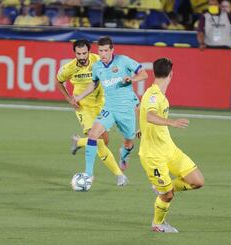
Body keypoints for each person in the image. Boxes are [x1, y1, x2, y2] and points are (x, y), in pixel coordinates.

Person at [139, 58, 204, 233]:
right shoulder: (153, 95)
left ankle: (161, 187)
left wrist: (141, 130)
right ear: (171, 74)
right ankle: (157, 224)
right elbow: (150, 116)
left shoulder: (157, 94)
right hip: (153, 155)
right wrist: (172, 122)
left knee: (197, 181)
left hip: (169, 149)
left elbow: (139, 110)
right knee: (167, 195)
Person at [74, 36, 148, 183]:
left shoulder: (123, 60)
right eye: (100, 50)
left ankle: (124, 155)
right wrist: (79, 97)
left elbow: (144, 74)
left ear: (112, 50)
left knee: (129, 142)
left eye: (106, 50)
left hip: (126, 110)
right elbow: (93, 84)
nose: (103, 54)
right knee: (94, 134)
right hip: (109, 108)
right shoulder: (97, 67)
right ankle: (88, 174)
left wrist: (131, 79)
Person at [56, 39, 127, 186]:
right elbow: (59, 81)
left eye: (84, 53)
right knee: (98, 142)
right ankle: (119, 175)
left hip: (101, 104)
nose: (81, 57)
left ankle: (78, 142)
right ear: (74, 53)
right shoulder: (68, 68)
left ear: (89, 52)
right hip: (83, 107)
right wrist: (69, 98)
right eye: (78, 54)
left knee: (105, 141)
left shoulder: (98, 59)